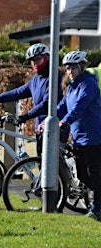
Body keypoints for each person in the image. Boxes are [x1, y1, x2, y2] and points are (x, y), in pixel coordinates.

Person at [0, 43, 63, 156]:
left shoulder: (54, 76)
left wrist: (27, 115)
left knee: (53, 164)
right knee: (41, 162)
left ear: (47, 57)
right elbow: (17, 92)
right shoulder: (36, 79)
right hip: (40, 127)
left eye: (38, 59)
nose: (35, 63)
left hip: (54, 126)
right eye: (32, 60)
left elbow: (47, 104)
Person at [57, 50, 101, 220]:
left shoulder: (88, 84)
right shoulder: (71, 87)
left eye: (73, 67)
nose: (70, 71)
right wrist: (49, 120)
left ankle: (97, 209)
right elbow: (62, 107)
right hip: (78, 138)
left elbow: (79, 107)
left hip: (94, 136)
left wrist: (65, 121)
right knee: (83, 175)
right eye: (67, 68)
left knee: (94, 174)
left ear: (82, 67)